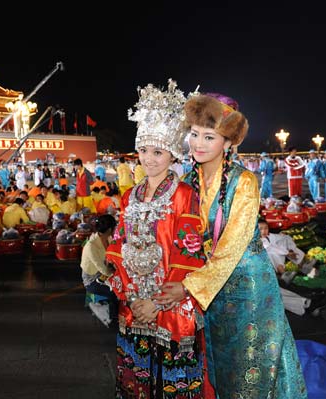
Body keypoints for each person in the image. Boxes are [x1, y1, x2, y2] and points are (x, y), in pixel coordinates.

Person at [158, 92, 307, 398]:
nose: (198, 143)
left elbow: (232, 245)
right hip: (209, 287)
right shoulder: (187, 180)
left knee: (251, 365)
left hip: (249, 287)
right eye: (194, 134)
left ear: (228, 143)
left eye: (209, 136)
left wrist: (188, 286)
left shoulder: (245, 182)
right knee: (219, 362)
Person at [105, 79, 209, 398]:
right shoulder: (129, 197)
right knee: (137, 381)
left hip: (170, 306)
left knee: (172, 384)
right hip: (135, 306)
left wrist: (155, 302)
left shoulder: (184, 195)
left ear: (173, 154)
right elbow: (118, 247)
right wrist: (133, 299)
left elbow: (188, 253)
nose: (149, 159)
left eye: (158, 152)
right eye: (144, 150)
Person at [80, 214, 118, 327]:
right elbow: (102, 269)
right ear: (110, 229)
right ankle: (112, 317)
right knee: (116, 291)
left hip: (105, 273)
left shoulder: (109, 239)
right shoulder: (91, 246)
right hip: (92, 279)